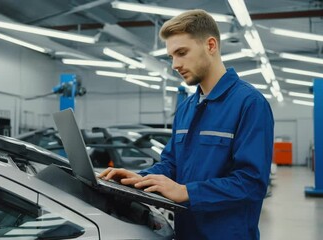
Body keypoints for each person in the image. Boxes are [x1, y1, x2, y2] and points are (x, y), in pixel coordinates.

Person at [99, 9, 274, 240]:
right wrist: (138, 179)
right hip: (185, 233)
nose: (174, 64)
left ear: (211, 46)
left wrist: (186, 191)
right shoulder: (186, 108)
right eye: (171, 56)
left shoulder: (249, 104)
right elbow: (172, 164)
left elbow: (251, 184)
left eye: (181, 53)